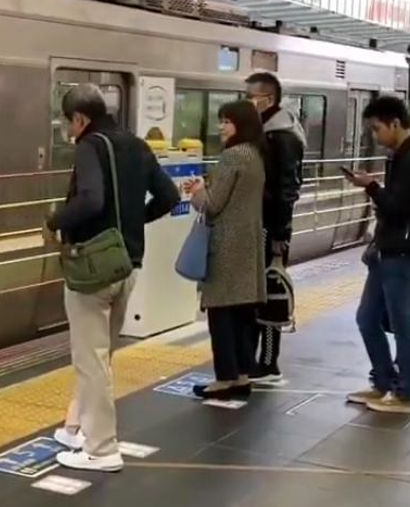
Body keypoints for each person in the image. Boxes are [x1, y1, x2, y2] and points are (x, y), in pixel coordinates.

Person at [47, 84, 179, 472]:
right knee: (100, 358)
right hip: (127, 264)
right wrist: (137, 222)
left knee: (91, 360)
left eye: (67, 122)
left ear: (80, 119)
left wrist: (55, 222)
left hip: (93, 269)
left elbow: (91, 199)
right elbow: (169, 196)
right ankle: (76, 429)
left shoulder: (91, 145)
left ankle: (102, 450)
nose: (68, 130)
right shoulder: (136, 144)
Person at [345, 96, 410, 414]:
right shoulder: (402, 155)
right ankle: (384, 382)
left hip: (405, 252)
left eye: (377, 129)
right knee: (367, 318)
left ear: (395, 124)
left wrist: (371, 187)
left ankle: (405, 395)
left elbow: (401, 209)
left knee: (403, 323)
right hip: (388, 250)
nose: (375, 136)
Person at [183, 100, 268, 400]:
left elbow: (212, 204)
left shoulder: (232, 155)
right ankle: (243, 375)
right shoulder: (255, 154)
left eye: (227, 122)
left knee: (220, 314)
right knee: (243, 313)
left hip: (226, 245)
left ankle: (225, 379)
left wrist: (196, 192)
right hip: (248, 243)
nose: (221, 127)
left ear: (240, 125)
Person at [243, 72, 305, 385]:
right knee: (259, 291)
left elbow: (286, 188)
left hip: (272, 227)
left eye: (250, 96)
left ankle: (268, 363)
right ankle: (255, 358)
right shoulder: (268, 131)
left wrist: (280, 234)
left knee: (270, 290)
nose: (246, 102)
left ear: (267, 98)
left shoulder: (282, 135)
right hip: (263, 223)